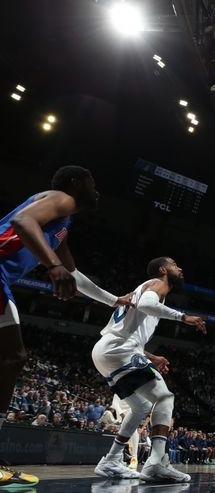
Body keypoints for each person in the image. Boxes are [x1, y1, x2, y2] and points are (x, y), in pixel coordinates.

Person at [0, 166, 134, 488]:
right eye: (93, 182)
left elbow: (74, 274)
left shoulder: (63, 224)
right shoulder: (60, 199)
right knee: (12, 356)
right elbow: (22, 222)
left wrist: (113, 300)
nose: (98, 190)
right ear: (76, 183)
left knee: (11, 357)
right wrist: (53, 266)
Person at [92, 257, 206, 482]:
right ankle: (156, 462)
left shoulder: (144, 289)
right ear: (163, 270)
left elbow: (132, 335)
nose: (180, 268)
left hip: (106, 351)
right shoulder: (156, 284)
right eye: (175, 265)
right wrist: (183, 317)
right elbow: (146, 305)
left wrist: (152, 357)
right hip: (118, 349)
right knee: (164, 397)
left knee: (141, 405)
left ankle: (111, 460)